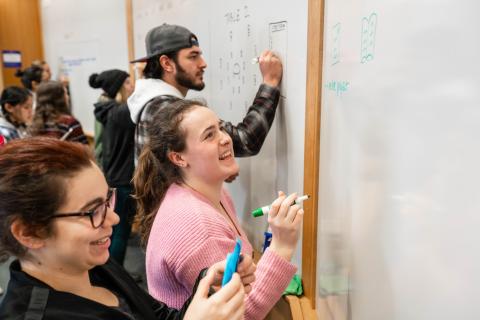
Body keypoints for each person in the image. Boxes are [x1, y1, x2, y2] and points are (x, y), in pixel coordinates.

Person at [0, 137, 255, 320]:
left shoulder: (95, 266)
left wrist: (206, 287)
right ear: (30, 233)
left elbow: (158, 315)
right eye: (93, 211)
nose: (114, 219)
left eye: (107, 201)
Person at [134, 99, 303, 319]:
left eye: (221, 127)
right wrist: (283, 244)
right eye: (209, 135)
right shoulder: (198, 226)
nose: (225, 138)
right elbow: (242, 314)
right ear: (178, 158)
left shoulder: (212, 193)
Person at [128, 23, 283, 164]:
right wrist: (270, 82)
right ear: (167, 63)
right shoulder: (169, 110)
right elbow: (245, 141)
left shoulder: (152, 103)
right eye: (193, 56)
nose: (203, 64)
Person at [89, 69, 136, 264]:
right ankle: (117, 277)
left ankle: (112, 273)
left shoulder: (108, 111)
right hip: (123, 180)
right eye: (126, 83)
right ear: (117, 88)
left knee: (114, 230)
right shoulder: (120, 114)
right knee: (120, 232)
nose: (131, 86)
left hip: (113, 178)